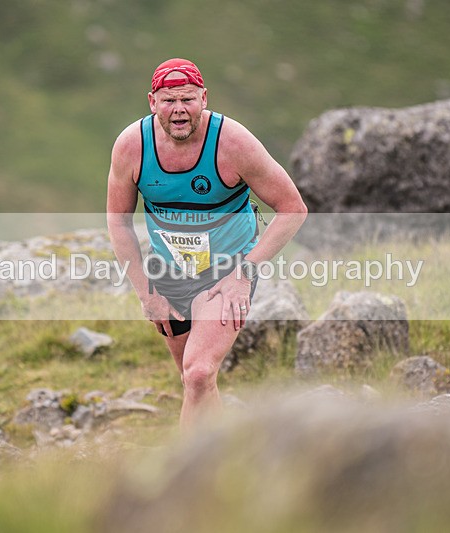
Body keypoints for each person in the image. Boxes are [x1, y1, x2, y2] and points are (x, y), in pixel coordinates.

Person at [106, 58, 307, 430]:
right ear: (152, 102)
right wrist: (146, 294)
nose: (179, 110)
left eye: (187, 99)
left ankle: (185, 479)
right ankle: (225, 457)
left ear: (204, 98)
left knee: (198, 373)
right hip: (167, 272)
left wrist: (243, 275)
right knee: (195, 380)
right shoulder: (131, 147)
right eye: (168, 101)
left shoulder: (233, 143)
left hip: (226, 272)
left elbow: (293, 208)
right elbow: (118, 222)